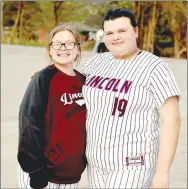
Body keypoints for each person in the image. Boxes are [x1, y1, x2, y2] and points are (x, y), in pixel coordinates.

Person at [76, 8, 181, 188]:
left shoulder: (155, 67)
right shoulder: (96, 62)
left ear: (136, 31)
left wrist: (162, 173)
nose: (115, 37)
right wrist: (46, 76)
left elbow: (172, 120)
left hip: (132, 164)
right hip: (96, 162)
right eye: (109, 32)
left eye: (122, 31)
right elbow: (68, 85)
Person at [17, 24, 87, 189]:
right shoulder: (42, 79)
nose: (63, 48)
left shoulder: (84, 81)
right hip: (43, 174)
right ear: (49, 50)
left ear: (78, 49)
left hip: (71, 174)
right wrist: (35, 170)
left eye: (69, 43)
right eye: (57, 44)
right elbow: (28, 126)